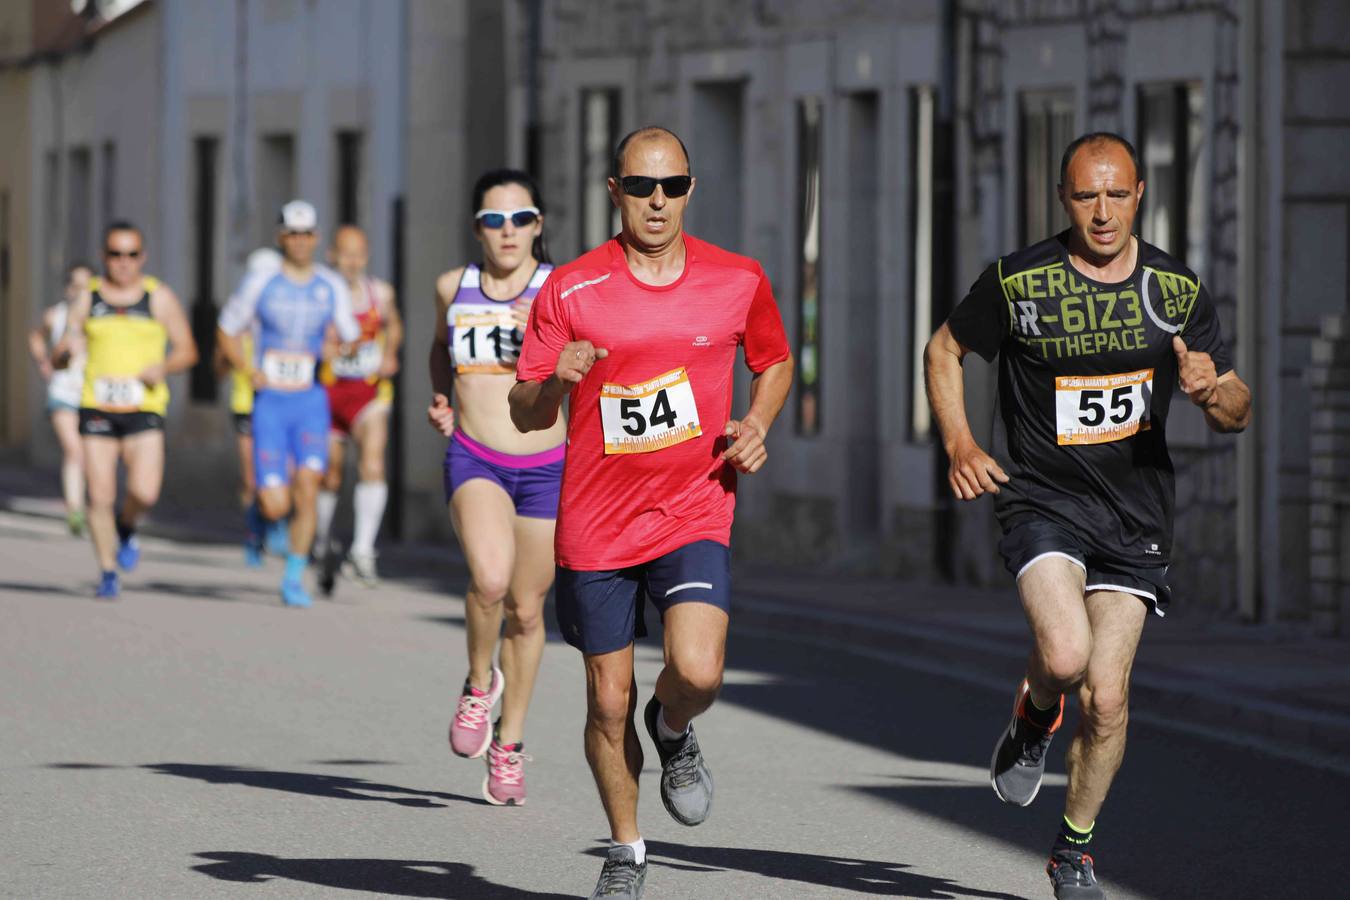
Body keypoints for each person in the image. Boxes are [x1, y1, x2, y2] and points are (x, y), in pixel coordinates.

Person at [925, 132, 1252, 899]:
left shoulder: (1175, 291)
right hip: (1043, 500)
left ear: (1141, 194)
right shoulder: (1018, 282)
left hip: (1136, 516)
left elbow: (1236, 408)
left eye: (1116, 195)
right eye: (1085, 196)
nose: (1101, 213)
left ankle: (1073, 850)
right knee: (1066, 656)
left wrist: (1211, 393)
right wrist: (961, 442)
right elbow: (945, 350)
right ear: (1063, 199)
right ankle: (1037, 714)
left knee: (1107, 698)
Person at [510, 128, 793, 899]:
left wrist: (757, 424)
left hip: (693, 509)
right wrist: (553, 382)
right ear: (615, 192)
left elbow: (773, 358)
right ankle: (627, 850)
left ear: (690, 191)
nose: (656, 201)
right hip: (596, 522)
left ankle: (671, 728)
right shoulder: (568, 289)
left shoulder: (737, 279)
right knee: (606, 699)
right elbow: (528, 412)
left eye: (670, 187)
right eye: (640, 187)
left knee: (697, 672)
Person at [428, 169, 559, 806]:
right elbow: (437, 348)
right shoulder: (452, 286)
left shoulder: (559, 290)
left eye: (520, 219)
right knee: (489, 579)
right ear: (476, 228)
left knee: (528, 610)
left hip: (550, 467)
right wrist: (438, 395)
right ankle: (480, 682)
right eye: (492, 220)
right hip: (476, 456)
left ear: (539, 224)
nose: (507, 232)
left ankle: (509, 744)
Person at [217, 201, 360, 608]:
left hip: (311, 400)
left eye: (307, 233)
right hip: (271, 404)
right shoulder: (261, 281)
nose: (300, 241)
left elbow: (350, 336)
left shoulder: (330, 285)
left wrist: (339, 346)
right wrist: (248, 369)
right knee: (275, 501)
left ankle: (294, 576)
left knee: (309, 488)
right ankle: (264, 520)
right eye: (292, 233)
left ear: (316, 238)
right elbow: (227, 330)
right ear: (281, 237)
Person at [56, 222, 199, 599]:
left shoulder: (159, 298)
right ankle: (107, 571)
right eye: (116, 255)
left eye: (131, 255)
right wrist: (64, 352)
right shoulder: (88, 298)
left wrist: (163, 368)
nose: (123, 263)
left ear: (143, 257)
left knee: (145, 491)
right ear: (105, 257)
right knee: (100, 493)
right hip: (97, 405)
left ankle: (127, 524)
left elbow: (188, 349)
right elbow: (64, 344)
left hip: (144, 407)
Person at [314, 225, 402, 591]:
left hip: (369, 393)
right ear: (332, 255)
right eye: (345, 253)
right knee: (330, 473)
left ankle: (363, 550)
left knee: (373, 460)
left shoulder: (379, 292)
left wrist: (389, 354)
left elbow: (394, 325)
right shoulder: (319, 294)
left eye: (359, 254)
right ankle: (320, 541)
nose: (352, 261)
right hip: (327, 392)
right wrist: (326, 350)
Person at [217, 247, 283, 567]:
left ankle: (278, 520)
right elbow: (218, 367)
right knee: (251, 476)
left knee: (285, 471)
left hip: (282, 400)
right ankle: (255, 531)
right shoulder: (239, 314)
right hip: (246, 402)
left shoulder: (287, 313)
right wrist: (235, 357)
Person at [28, 261, 94, 536]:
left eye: (86, 287)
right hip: (63, 392)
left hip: (91, 393)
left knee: (90, 453)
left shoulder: (100, 319)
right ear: (68, 288)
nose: (80, 292)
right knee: (74, 451)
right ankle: (75, 509)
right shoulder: (56, 315)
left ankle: (94, 505)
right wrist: (44, 360)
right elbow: (35, 336)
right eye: (76, 286)